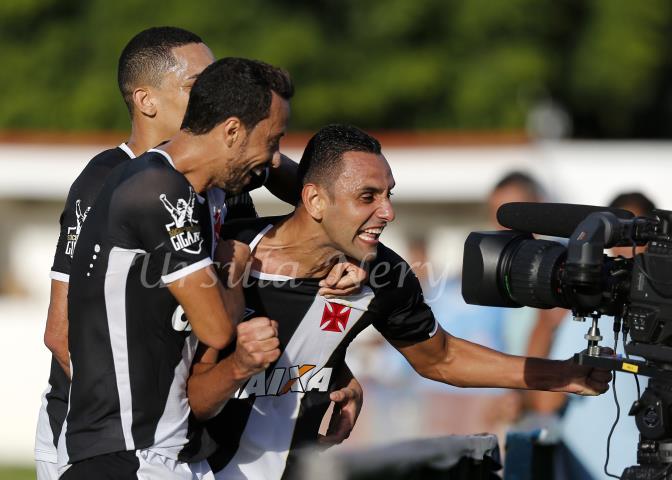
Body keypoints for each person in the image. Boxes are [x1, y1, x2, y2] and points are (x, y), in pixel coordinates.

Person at [185, 124, 612, 480]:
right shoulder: (225, 252)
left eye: (389, 194)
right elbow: (189, 396)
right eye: (367, 197)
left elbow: (440, 358)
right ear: (314, 200)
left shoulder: (382, 272)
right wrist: (243, 364)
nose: (387, 212)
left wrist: (558, 375)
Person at [36, 27, 364, 480]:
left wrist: (344, 262)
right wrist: (122, 415)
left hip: (176, 443)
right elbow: (62, 334)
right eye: (198, 84)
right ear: (147, 100)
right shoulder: (124, 183)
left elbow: (316, 204)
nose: (212, 93)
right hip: (115, 442)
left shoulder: (212, 188)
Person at [522, 191, 656, 479]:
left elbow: (544, 402)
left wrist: (546, 324)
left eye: (634, 240)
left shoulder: (591, 312)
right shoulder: (597, 314)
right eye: (620, 240)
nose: (624, 253)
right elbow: (545, 403)